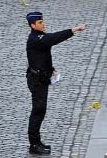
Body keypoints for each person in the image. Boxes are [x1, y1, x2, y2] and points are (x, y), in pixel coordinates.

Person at [25, 11, 86, 155]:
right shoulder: (36, 38)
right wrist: (73, 30)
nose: (43, 24)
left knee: (41, 110)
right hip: (37, 81)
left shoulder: (39, 38)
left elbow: (41, 56)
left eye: (43, 21)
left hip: (42, 78)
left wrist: (50, 69)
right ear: (33, 25)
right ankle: (34, 144)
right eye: (40, 23)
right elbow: (53, 38)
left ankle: (37, 142)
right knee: (38, 110)